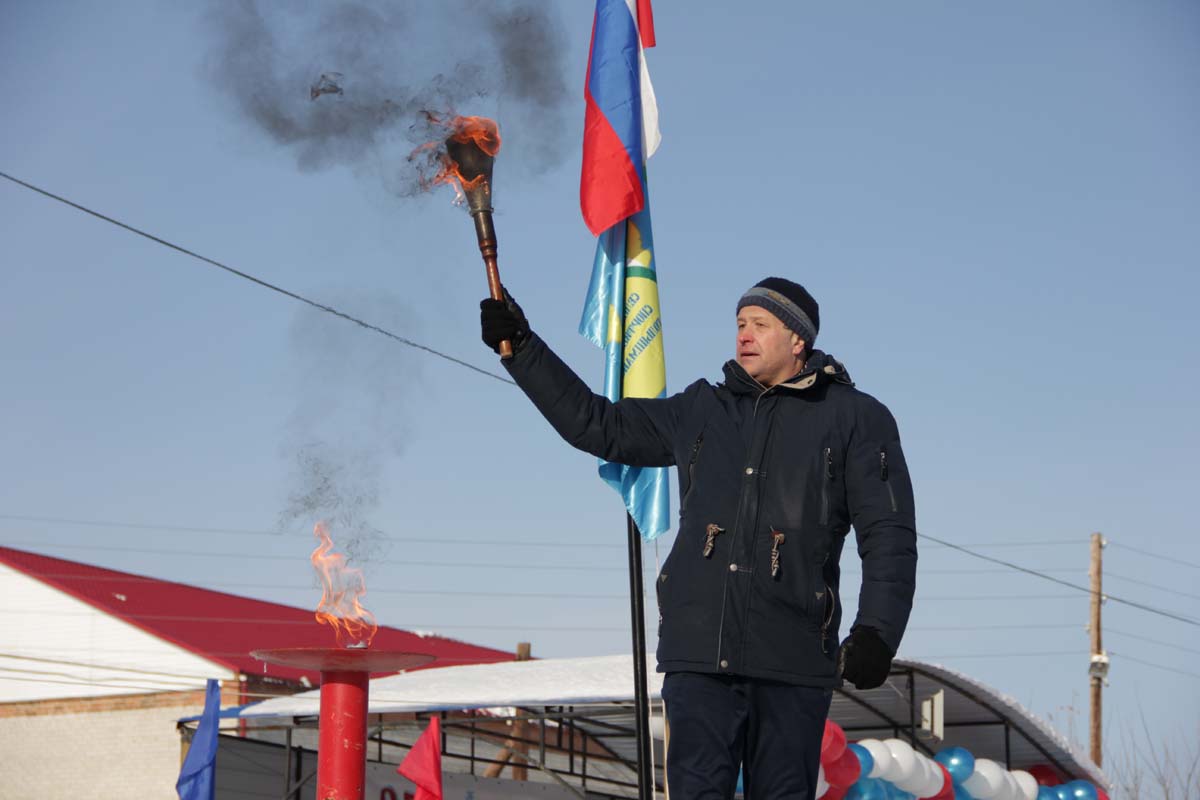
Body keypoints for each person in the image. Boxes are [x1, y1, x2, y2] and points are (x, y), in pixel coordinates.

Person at [481, 277, 917, 799]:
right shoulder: (702, 409)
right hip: (699, 654)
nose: (744, 336)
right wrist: (524, 349)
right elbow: (599, 425)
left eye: (761, 325)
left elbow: (888, 532)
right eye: (739, 324)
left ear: (798, 340)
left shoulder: (855, 418)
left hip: (793, 657)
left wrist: (878, 631)